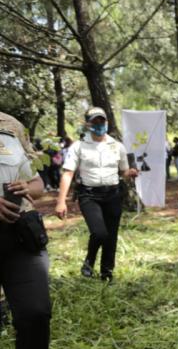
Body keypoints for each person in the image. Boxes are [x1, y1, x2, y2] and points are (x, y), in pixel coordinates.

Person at [0, 111, 66, 349]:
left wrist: (30, 188)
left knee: (35, 312)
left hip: (20, 234)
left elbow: (37, 180)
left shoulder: (10, 125)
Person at [55, 107, 139, 282]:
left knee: (111, 236)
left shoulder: (117, 146)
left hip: (113, 195)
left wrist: (129, 173)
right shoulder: (78, 146)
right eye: (95, 121)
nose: (100, 124)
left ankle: (106, 273)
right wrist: (61, 201)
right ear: (88, 124)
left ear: (107, 122)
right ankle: (89, 261)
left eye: (102, 121)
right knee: (100, 233)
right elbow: (68, 173)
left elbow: (123, 171)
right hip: (89, 195)